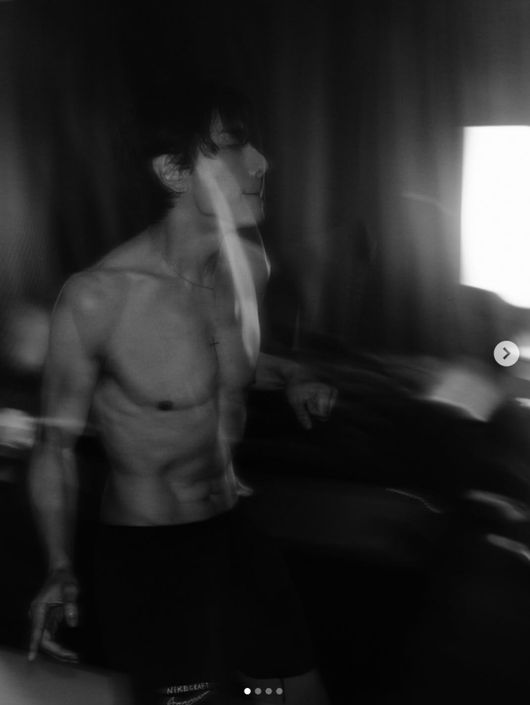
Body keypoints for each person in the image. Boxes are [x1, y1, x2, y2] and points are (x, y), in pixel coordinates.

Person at [27, 81, 336, 705]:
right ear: (173, 171)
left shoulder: (249, 267)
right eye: (234, 146)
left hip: (233, 529)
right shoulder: (99, 298)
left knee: (297, 695)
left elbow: (224, 364)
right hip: (151, 554)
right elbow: (54, 446)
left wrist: (292, 375)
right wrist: (59, 565)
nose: (262, 162)